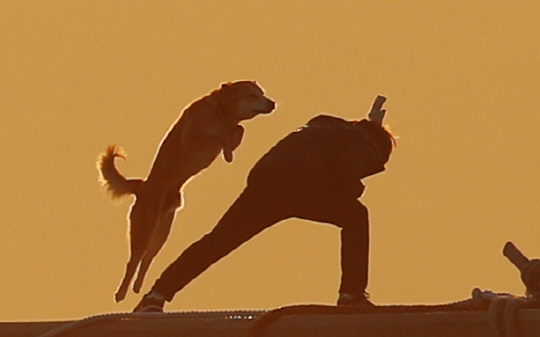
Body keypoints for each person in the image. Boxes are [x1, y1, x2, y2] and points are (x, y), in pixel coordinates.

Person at [133, 96, 395, 312]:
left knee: (218, 240)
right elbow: (347, 172)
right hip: (304, 185)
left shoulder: (325, 129)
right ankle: (352, 294)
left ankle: (156, 296)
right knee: (356, 216)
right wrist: (354, 188)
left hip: (264, 180)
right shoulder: (368, 143)